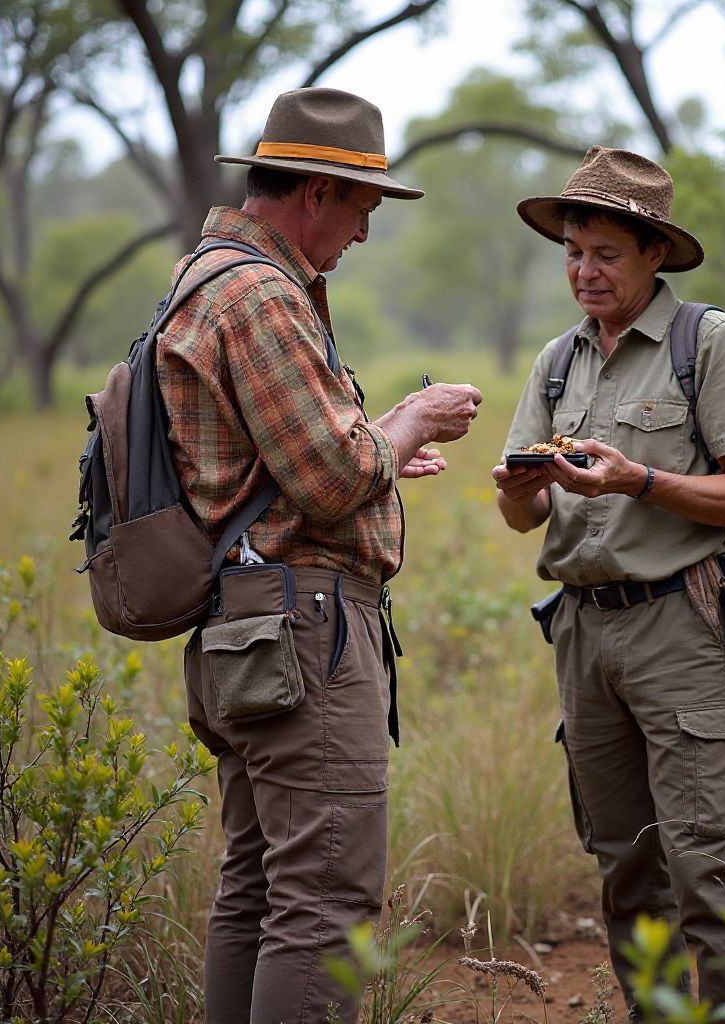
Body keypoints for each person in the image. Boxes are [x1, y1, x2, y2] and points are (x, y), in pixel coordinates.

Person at [157, 88, 482, 1024]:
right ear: (315, 194)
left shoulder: (204, 277)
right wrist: (408, 420)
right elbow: (332, 477)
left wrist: (375, 443)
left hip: (251, 622)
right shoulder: (261, 294)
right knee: (324, 900)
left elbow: (293, 461)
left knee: (259, 886)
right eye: (362, 211)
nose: (363, 236)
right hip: (306, 629)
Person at [492, 146, 725, 1014]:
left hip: (681, 629)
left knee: (704, 867)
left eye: (605, 253)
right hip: (582, 634)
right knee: (624, 866)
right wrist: (518, 490)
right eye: (573, 251)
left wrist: (638, 480)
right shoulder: (556, 362)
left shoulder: (709, 343)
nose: (585, 271)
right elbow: (522, 521)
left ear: (655, 252)